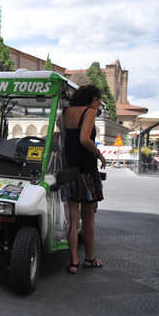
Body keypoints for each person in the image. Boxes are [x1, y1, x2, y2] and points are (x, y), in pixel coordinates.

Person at [62, 84, 106, 274]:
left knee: (72, 219)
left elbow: (63, 137)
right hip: (86, 169)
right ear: (89, 99)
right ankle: (89, 258)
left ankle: (73, 262)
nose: (99, 103)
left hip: (69, 167)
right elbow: (84, 139)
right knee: (88, 219)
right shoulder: (89, 112)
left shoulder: (65, 111)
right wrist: (99, 154)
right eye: (97, 99)